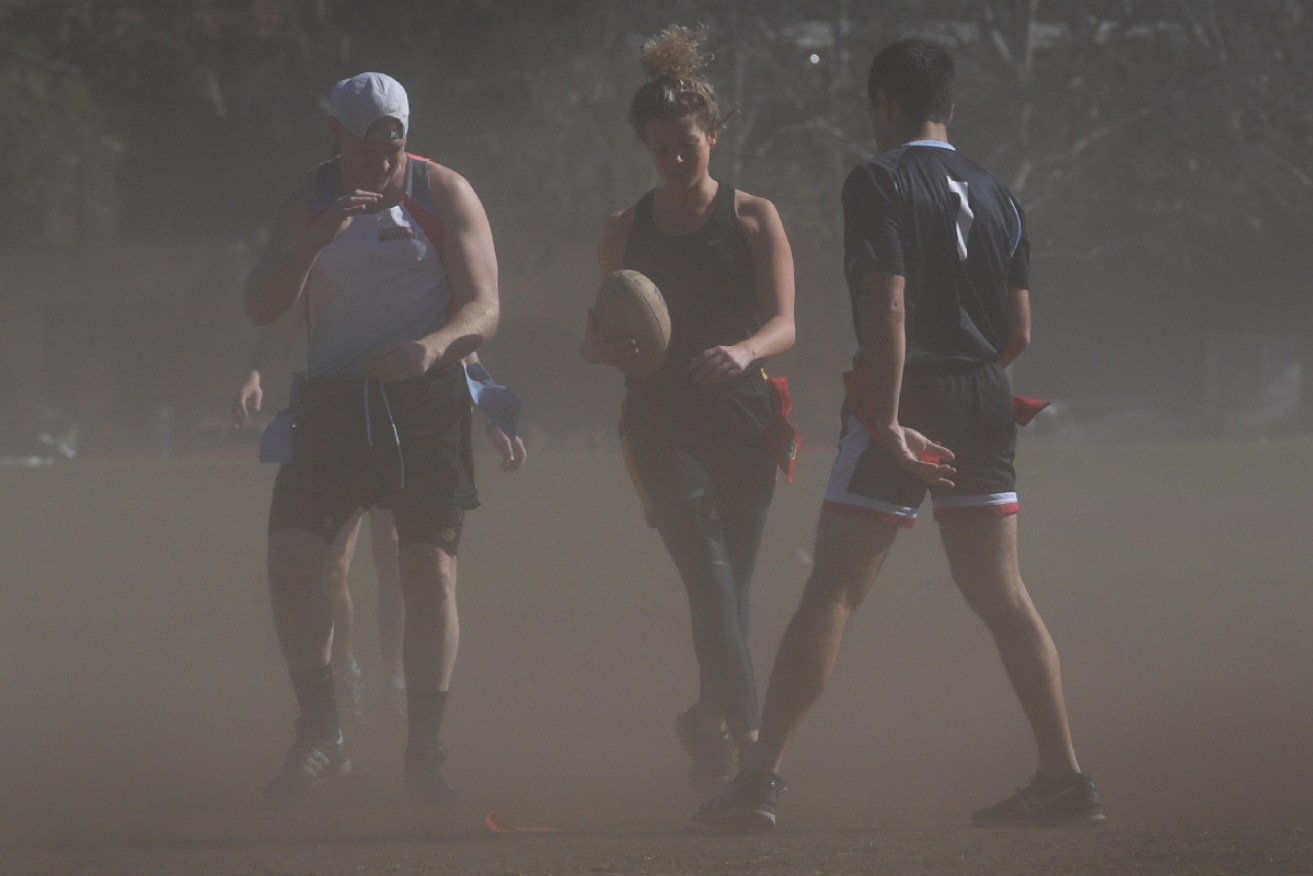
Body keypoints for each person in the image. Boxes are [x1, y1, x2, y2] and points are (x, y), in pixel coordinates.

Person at [696, 39, 1104, 831]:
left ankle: (757, 782)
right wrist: (973, 381)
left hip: (904, 395)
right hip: (985, 391)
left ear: (883, 102)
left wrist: (883, 418)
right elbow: (1018, 328)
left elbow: (886, 305)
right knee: (1002, 594)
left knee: (835, 589)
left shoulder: (877, 179)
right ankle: (1064, 776)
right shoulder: (999, 192)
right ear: (944, 104)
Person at [243, 71, 500, 802]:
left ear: (406, 136)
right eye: (364, 148)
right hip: (330, 404)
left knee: (427, 576)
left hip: (422, 405)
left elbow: (485, 307)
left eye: (392, 145)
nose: (379, 163)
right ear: (337, 137)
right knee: (292, 565)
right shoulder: (308, 197)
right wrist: (313, 241)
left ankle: (425, 749)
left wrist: (434, 344)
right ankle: (323, 734)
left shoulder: (443, 192)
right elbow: (260, 304)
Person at [581, 26, 797, 794]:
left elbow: (785, 324)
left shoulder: (753, 218)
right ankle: (750, 746)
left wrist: (744, 352)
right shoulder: (623, 230)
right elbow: (596, 336)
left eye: (686, 145)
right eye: (660, 149)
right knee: (707, 580)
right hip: (659, 425)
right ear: (645, 147)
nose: (674, 160)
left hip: (744, 419)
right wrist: (611, 349)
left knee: (731, 590)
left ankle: (703, 722)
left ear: (713, 135)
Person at [232, 328, 525, 724]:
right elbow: (289, 313)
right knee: (331, 565)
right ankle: (346, 667)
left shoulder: (431, 273)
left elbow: (463, 341)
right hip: (340, 419)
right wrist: (256, 372)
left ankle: (394, 681)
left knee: (399, 559)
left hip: (407, 422)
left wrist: (492, 410)